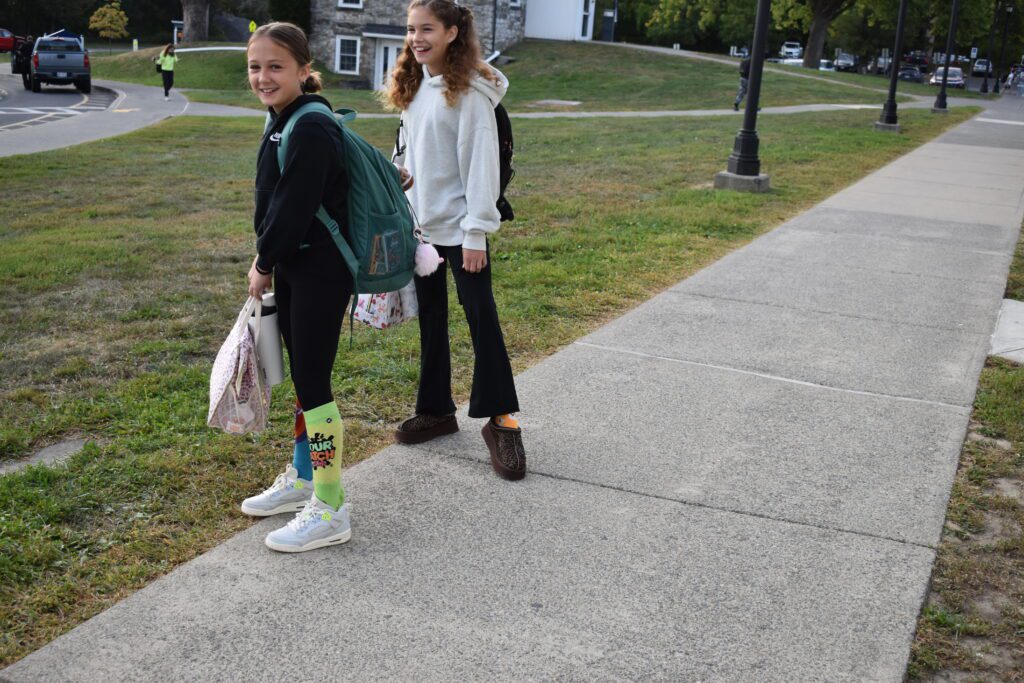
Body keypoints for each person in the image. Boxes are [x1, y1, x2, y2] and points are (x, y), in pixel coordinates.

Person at [385, 0, 526, 481]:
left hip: (463, 235)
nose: (416, 38)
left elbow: (481, 167)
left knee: (482, 319)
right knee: (432, 320)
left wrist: (476, 234)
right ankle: (437, 411)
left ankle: (503, 421)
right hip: (422, 231)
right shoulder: (417, 86)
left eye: (426, 29)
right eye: (410, 29)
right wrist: (400, 175)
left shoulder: (469, 94)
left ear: (451, 32)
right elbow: (408, 148)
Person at [238, 22, 355, 553]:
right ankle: (305, 478)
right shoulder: (283, 118)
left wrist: (264, 261)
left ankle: (330, 505)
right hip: (299, 268)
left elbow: (292, 208)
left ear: (304, 70)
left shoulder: (308, 127)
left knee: (316, 390)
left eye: (275, 66)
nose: (263, 77)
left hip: (320, 272)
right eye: (255, 67)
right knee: (308, 387)